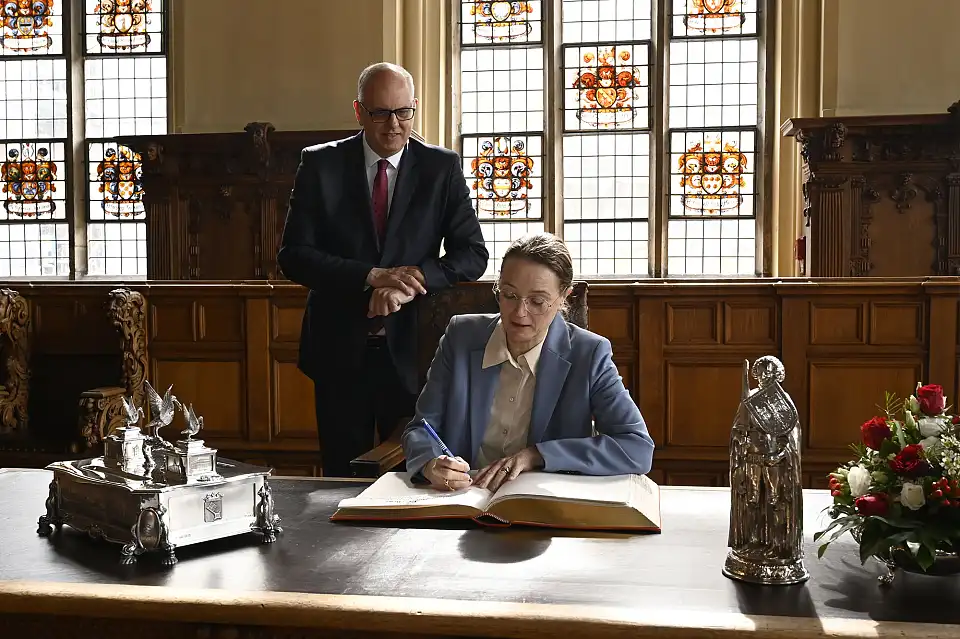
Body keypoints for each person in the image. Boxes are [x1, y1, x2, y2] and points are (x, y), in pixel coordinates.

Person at [277, 62, 488, 478]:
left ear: (415, 108)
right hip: (339, 349)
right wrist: (371, 276)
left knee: (414, 477)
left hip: (414, 350)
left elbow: (472, 254)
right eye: (380, 113)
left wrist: (412, 281)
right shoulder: (321, 165)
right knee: (341, 478)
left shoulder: (440, 168)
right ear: (359, 112)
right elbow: (294, 255)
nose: (393, 125)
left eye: (403, 112)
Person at [401, 233, 654, 493]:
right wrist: (431, 464)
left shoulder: (589, 354)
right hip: (460, 500)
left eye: (537, 301)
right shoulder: (460, 336)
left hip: (543, 505)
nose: (519, 312)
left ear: (563, 297)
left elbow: (636, 448)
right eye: (509, 295)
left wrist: (536, 455)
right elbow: (422, 428)